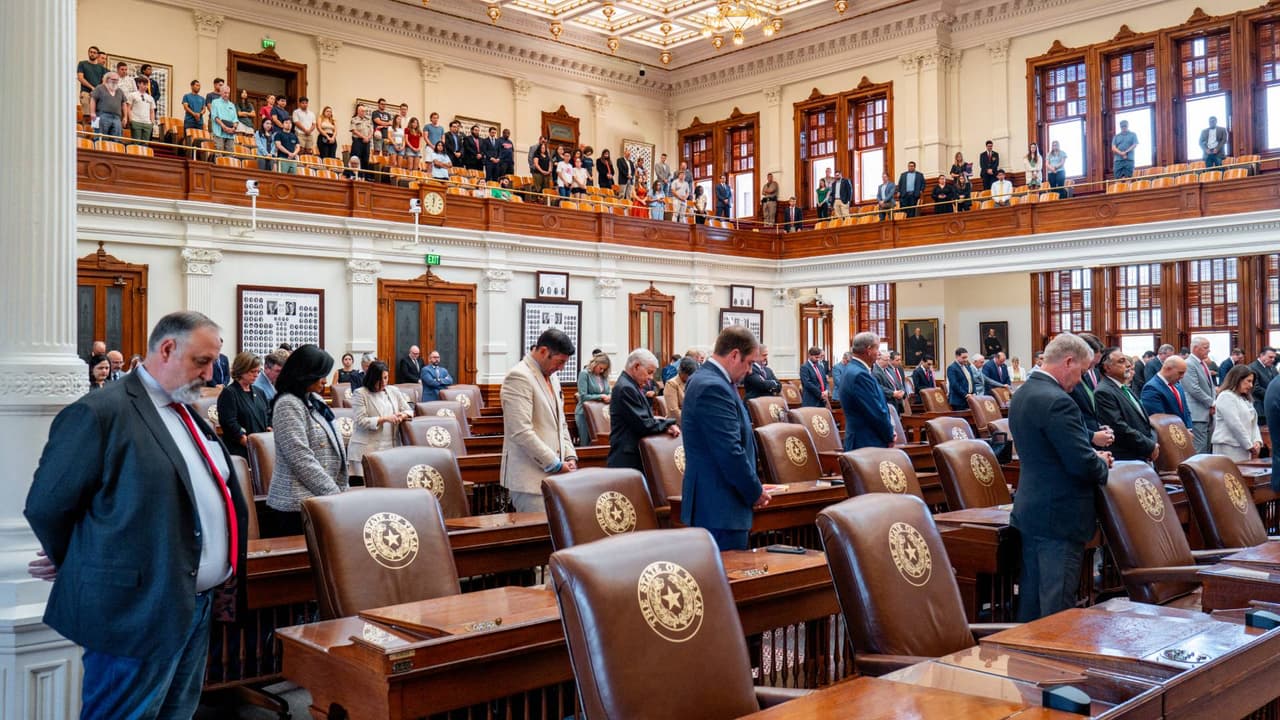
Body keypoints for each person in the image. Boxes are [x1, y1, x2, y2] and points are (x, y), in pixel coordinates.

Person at [26, 311, 248, 719]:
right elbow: (47, 505)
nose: (210, 374)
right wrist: (80, 557)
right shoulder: (101, 411)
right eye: (202, 361)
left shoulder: (186, 410)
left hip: (194, 604)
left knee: (176, 712)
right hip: (135, 608)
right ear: (167, 349)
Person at [1009, 333, 1111, 621]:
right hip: (1060, 515)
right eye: (1082, 371)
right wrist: (1101, 462)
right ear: (1068, 362)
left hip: (1032, 510)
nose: (1081, 379)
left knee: (1031, 605)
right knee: (1057, 611)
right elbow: (1081, 464)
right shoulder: (1058, 401)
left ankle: (1026, 652)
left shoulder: (1023, 393)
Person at [679, 326, 770, 551]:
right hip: (719, 507)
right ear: (735, 355)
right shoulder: (713, 386)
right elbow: (729, 451)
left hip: (718, 505)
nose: (750, 370)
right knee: (729, 572)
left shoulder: (710, 380)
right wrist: (754, 490)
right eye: (750, 363)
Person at [264, 344, 347, 536]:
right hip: (297, 506)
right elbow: (300, 459)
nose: (325, 381)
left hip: (322, 499)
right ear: (305, 375)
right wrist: (334, 494)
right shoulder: (287, 404)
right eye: (321, 375)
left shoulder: (314, 399)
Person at [500, 328, 579, 512]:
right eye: (560, 362)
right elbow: (521, 432)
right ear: (543, 351)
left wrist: (570, 456)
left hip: (557, 478)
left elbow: (561, 424)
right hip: (531, 481)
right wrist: (555, 464)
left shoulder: (553, 378)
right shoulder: (519, 376)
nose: (561, 368)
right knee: (541, 530)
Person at [608, 349, 680, 472]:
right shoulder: (626, 388)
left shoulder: (630, 385)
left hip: (634, 455)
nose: (650, 378)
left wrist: (663, 424)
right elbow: (643, 424)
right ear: (636, 366)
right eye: (649, 372)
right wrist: (668, 424)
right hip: (627, 460)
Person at [347, 361, 413, 480]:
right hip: (366, 448)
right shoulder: (360, 393)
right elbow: (360, 421)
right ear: (372, 378)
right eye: (380, 379)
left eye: (386, 378)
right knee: (366, 486)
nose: (384, 382)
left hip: (391, 447)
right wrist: (385, 419)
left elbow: (409, 410)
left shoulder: (393, 391)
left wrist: (402, 415)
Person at [1093, 348, 1158, 463]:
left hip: (1141, 452)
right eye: (1121, 361)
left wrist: (1152, 443)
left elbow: (1144, 421)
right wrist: (1148, 445)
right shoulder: (1103, 391)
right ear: (1107, 367)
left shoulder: (1123, 387)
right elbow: (1118, 427)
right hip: (1126, 457)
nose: (1128, 364)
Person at [841, 333, 896, 451]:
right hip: (866, 442)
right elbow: (875, 411)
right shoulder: (860, 375)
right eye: (877, 348)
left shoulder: (852, 369)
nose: (879, 353)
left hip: (864, 440)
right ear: (869, 350)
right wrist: (889, 435)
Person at [217, 352, 270, 459]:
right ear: (241, 370)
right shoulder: (229, 393)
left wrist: (269, 429)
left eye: (258, 371)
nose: (256, 375)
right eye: (252, 371)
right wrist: (248, 443)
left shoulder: (260, 392)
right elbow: (229, 423)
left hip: (262, 447)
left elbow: (268, 414)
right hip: (241, 451)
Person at [1211, 365, 1262, 462]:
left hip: (1244, 448)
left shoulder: (1245, 399)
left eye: (1252, 382)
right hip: (1228, 448)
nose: (1251, 385)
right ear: (1237, 379)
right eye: (1248, 381)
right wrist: (1249, 445)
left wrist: (1257, 441)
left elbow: (1253, 423)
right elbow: (1234, 424)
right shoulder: (1226, 396)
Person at [1183, 336, 1216, 453]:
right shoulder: (1188, 364)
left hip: (1207, 412)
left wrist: (1213, 403)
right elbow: (1193, 389)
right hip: (1197, 414)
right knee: (1200, 449)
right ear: (1195, 348)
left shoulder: (1203, 363)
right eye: (1206, 348)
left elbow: (1211, 387)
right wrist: (1212, 403)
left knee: (1207, 448)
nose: (1209, 350)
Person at [1140, 355, 1192, 427]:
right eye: (1180, 373)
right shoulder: (1151, 388)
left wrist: (1189, 428)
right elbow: (1159, 419)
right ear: (1168, 369)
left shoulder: (1178, 386)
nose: (1182, 376)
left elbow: (1186, 411)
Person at [574, 352, 611, 445]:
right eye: (601, 368)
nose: (602, 371)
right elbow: (583, 397)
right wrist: (601, 396)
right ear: (595, 363)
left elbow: (608, 391)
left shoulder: (603, 376)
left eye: (604, 369)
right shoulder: (584, 374)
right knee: (586, 443)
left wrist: (610, 396)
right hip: (584, 414)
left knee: (600, 442)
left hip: (600, 413)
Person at [90, 72, 129, 138]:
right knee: (100, 138)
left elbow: (124, 104)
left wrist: (125, 117)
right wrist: (92, 112)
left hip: (117, 118)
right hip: (102, 115)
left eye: (117, 80)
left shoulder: (120, 91)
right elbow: (93, 99)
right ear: (107, 79)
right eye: (113, 79)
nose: (115, 81)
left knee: (116, 139)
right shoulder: (100, 88)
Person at [77, 46, 108, 120]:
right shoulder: (82, 64)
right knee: (87, 116)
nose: (92, 54)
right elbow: (80, 78)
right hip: (86, 93)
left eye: (94, 53)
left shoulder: (102, 68)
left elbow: (104, 82)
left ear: (97, 55)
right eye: (91, 52)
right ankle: (86, 127)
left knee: (96, 117)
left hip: (97, 95)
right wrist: (92, 88)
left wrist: (96, 90)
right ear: (88, 53)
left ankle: (94, 128)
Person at [1250, 346, 1278, 426]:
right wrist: (1272, 396)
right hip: (1260, 409)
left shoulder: (1272, 368)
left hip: (1272, 407)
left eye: (1274, 358)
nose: (1273, 360)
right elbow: (1255, 388)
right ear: (1262, 355)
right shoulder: (1252, 368)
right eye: (1270, 357)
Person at [127, 77, 158, 146]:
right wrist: (130, 119)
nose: (145, 86)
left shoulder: (150, 98)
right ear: (138, 84)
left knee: (145, 144)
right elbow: (128, 108)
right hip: (136, 121)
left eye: (146, 85)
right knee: (136, 143)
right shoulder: (132, 95)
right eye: (143, 84)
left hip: (147, 123)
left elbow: (152, 111)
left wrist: (152, 122)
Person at [871, 350, 904, 415]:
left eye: (889, 360)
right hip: (886, 403)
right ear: (878, 359)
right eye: (886, 360)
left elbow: (899, 383)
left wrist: (902, 391)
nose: (888, 362)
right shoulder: (874, 371)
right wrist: (893, 393)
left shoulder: (889, 370)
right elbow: (878, 386)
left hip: (897, 403)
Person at [350, 104, 374, 170]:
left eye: (365, 111)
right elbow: (354, 130)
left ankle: (364, 175)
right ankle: (354, 174)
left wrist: (368, 138)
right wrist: (364, 137)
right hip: (358, 141)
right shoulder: (354, 119)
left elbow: (372, 130)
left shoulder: (368, 120)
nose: (364, 112)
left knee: (365, 160)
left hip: (367, 142)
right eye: (362, 111)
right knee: (356, 159)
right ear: (358, 111)